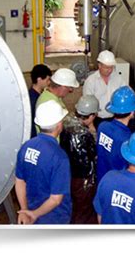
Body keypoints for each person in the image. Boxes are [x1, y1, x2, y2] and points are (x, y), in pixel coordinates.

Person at [15, 100, 72, 224]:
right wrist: (34, 215)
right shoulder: (59, 157)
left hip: (31, 208)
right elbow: (56, 199)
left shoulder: (27, 146)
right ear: (59, 125)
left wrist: (25, 210)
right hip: (54, 216)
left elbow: (19, 181)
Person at [83, 50, 135, 128]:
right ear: (99, 65)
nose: (110, 70)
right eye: (106, 67)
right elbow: (87, 106)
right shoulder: (91, 81)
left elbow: (128, 91)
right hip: (98, 120)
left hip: (114, 119)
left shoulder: (117, 77)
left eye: (111, 67)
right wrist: (91, 126)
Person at [60, 95, 99, 224]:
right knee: (84, 210)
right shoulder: (86, 135)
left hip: (69, 175)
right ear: (92, 116)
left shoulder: (66, 124)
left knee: (75, 206)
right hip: (84, 181)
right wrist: (93, 130)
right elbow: (94, 154)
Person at [96, 85, 135, 183]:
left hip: (102, 178)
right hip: (118, 183)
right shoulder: (127, 139)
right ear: (132, 112)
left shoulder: (102, 126)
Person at [36, 68, 79, 134]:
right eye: (70, 88)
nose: (71, 91)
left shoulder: (55, 97)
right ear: (63, 87)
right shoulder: (47, 103)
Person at [28, 64, 52, 138]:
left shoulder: (33, 95)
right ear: (39, 79)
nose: (49, 83)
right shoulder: (34, 99)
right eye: (47, 80)